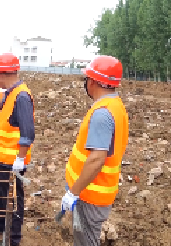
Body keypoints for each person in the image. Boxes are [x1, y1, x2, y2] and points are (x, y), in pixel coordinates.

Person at [60, 55, 129, 246]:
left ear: (94, 81)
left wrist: (73, 192)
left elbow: (96, 159)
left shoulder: (102, 113)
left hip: (90, 194)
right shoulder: (116, 106)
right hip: (94, 191)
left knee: (86, 241)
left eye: (87, 78)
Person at [0, 53, 35, 246]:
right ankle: (0, 223)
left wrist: (20, 160)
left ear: (2, 73)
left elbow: (27, 133)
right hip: (1, 158)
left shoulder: (21, 96)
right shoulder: (8, 93)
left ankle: (13, 240)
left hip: (12, 161)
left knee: (13, 199)